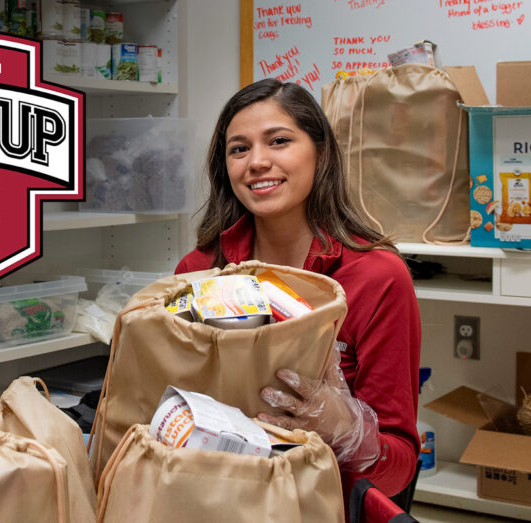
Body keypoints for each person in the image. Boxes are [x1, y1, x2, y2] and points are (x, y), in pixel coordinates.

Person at [175, 78, 421, 499]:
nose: (257, 161)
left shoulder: (378, 277)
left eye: (279, 141)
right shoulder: (198, 270)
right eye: (239, 148)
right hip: (215, 497)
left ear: (320, 153)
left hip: (321, 502)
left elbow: (398, 469)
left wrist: (347, 433)